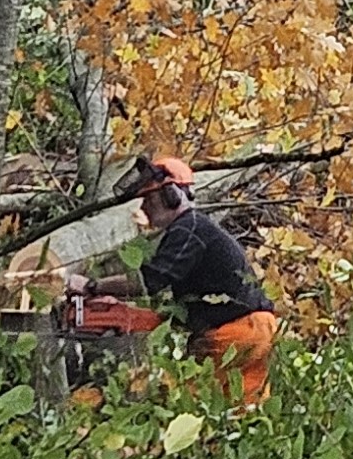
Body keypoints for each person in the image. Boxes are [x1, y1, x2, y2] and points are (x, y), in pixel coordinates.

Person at [66, 154, 281, 406]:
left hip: (236, 333)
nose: (144, 206)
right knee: (242, 414)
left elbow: (150, 281)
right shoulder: (192, 230)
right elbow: (169, 298)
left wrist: (91, 286)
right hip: (256, 328)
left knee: (191, 407)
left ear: (171, 194)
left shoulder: (188, 228)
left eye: (149, 198)